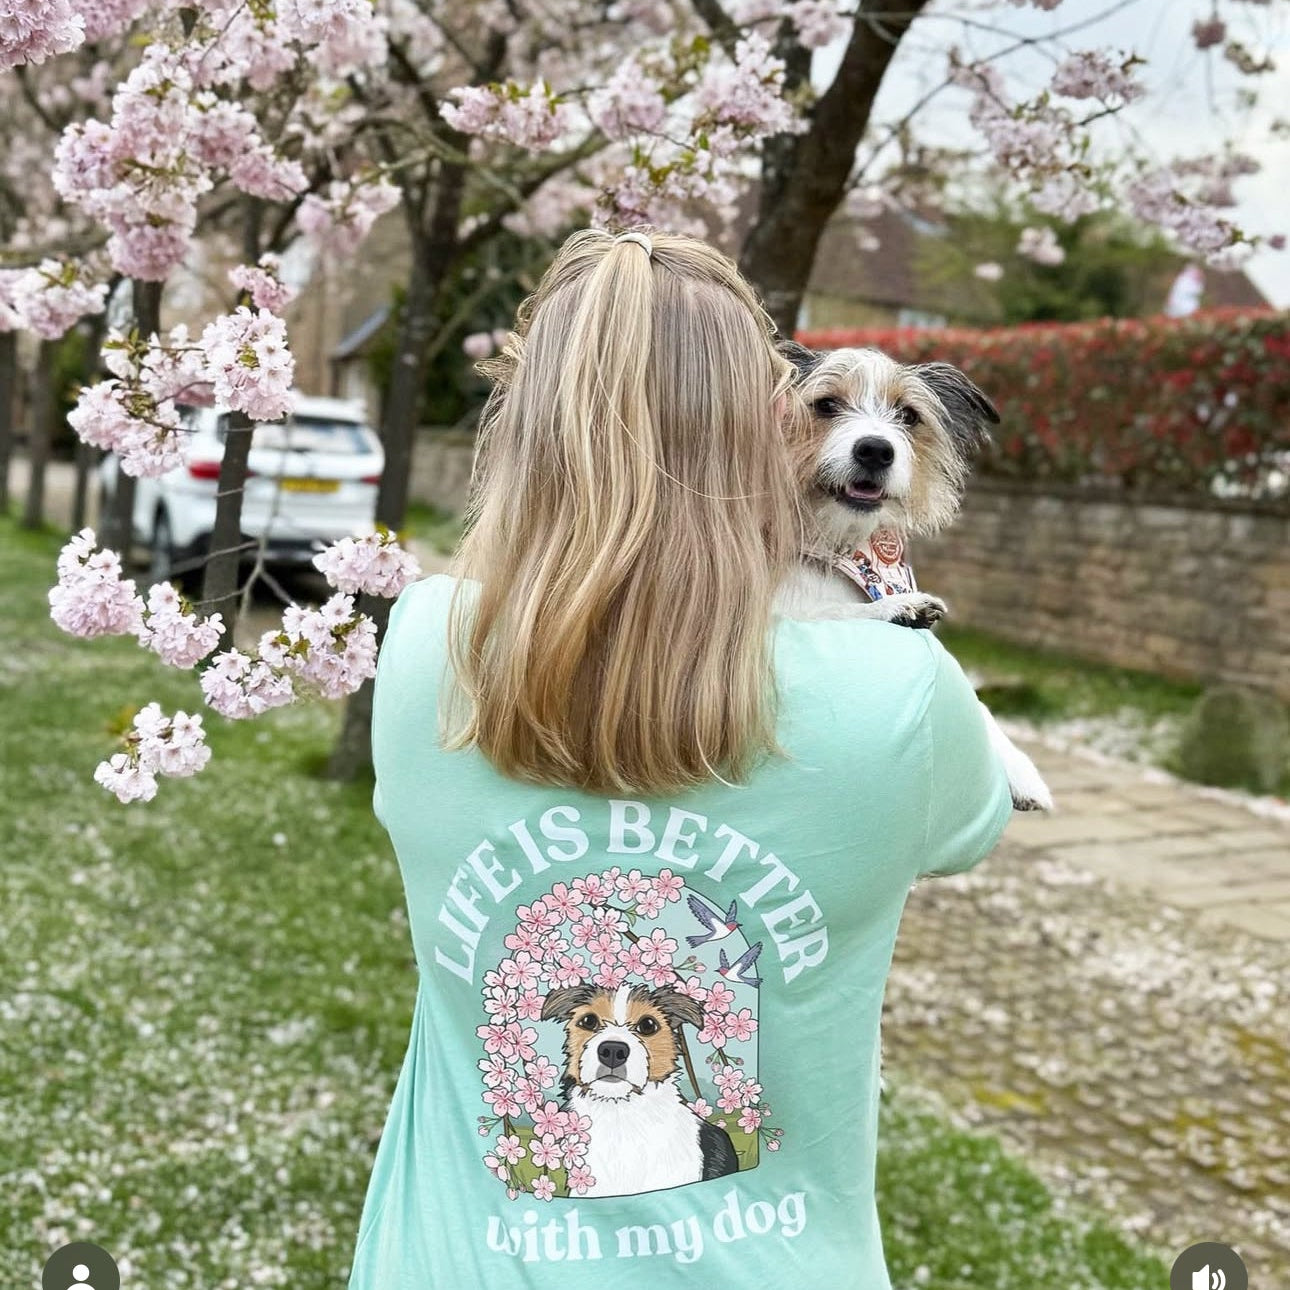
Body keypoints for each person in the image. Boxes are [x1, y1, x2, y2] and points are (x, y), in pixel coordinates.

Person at [347, 228, 1011, 1288]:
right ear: (762, 429)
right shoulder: (905, 690)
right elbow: (972, 828)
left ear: (521, 430)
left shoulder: (427, 640)